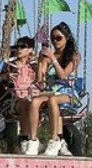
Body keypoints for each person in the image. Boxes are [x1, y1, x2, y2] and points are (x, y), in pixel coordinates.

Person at [32, 23, 80, 157]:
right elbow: (39, 80)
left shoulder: (74, 56)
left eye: (58, 38)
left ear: (67, 38)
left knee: (53, 100)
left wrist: (53, 59)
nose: (55, 41)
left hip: (66, 92)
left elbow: (63, 75)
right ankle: (32, 140)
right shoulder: (48, 58)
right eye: (53, 38)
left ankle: (54, 139)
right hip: (50, 91)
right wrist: (40, 62)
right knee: (35, 102)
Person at [6, 36, 42, 155]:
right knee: (26, 104)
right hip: (15, 99)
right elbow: (1, 78)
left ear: (30, 49)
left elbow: (41, 80)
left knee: (35, 103)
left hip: (33, 97)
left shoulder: (33, 66)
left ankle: (30, 138)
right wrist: (8, 77)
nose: (19, 49)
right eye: (17, 47)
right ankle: (27, 138)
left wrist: (40, 61)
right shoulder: (10, 65)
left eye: (23, 47)